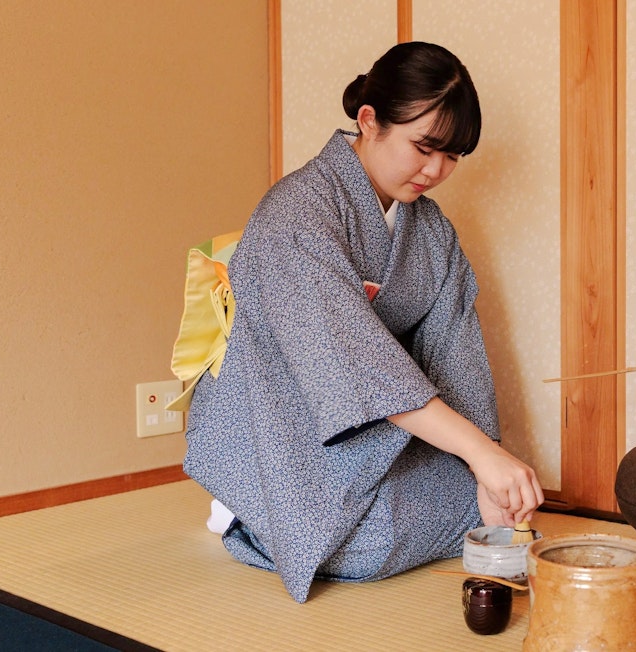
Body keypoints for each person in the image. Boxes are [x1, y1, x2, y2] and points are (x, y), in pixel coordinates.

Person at [180, 41, 544, 603]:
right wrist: (478, 454)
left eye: (452, 156)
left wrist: (484, 461)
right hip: (279, 416)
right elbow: (353, 361)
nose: (436, 170)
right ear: (370, 121)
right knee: (375, 542)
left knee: (483, 505)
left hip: (370, 422)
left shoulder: (432, 231)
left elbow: (456, 351)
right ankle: (243, 504)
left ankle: (311, 512)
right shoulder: (296, 214)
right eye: (424, 147)